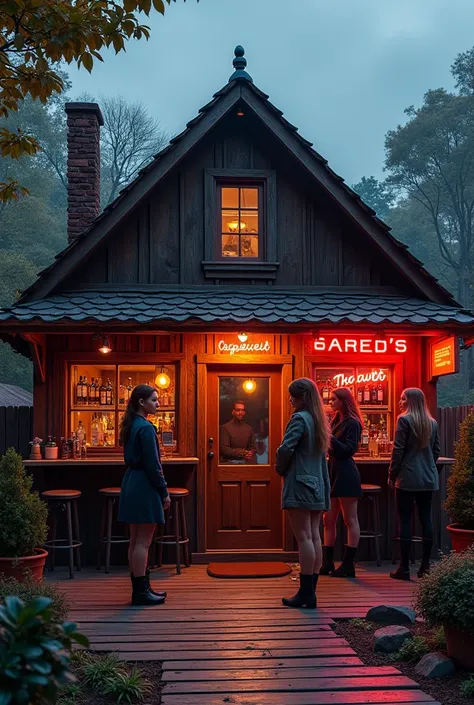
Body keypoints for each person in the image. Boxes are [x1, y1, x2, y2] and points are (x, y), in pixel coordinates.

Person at [276, 377, 331, 608]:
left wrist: (279, 468)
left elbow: (286, 448)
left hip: (299, 482)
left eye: (292, 395)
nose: (290, 400)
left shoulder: (299, 418)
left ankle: (305, 593)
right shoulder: (319, 420)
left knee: (304, 537)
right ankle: (311, 592)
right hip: (318, 483)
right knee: (315, 536)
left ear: (301, 397)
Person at [118, 384, 171, 605]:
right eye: (154, 400)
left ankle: (140, 588)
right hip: (145, 485)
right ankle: (141, 591)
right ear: (142, 402)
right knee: (144, 540)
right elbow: (153, 465)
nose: (158, 403)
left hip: (131, 481)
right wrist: (164, 491)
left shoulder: (131, 425)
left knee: (134, 539)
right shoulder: (146, 428)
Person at [388, 388, 440, 581]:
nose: (400, 401)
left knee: (406, 520)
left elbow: (398, 451)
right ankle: (425, 566)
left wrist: (392, 475)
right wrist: (427, 466)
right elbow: (436, 451)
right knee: (426, 519)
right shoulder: (432, 422)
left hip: (407, 478)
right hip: (428, 478)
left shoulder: (403, 420)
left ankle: (404, 567)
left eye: (403, 398)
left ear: (410, 401)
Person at [320, 387, 363, 578]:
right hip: (333, 471)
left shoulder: (353, 423)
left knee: (349, 519)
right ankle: (327, 561)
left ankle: (348, 564)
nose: (331, 402)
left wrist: (329, 437)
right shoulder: (337, 419)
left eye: (334, 399)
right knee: (327, 519)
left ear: (344, 401)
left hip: (346, 473)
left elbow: (348, 450)